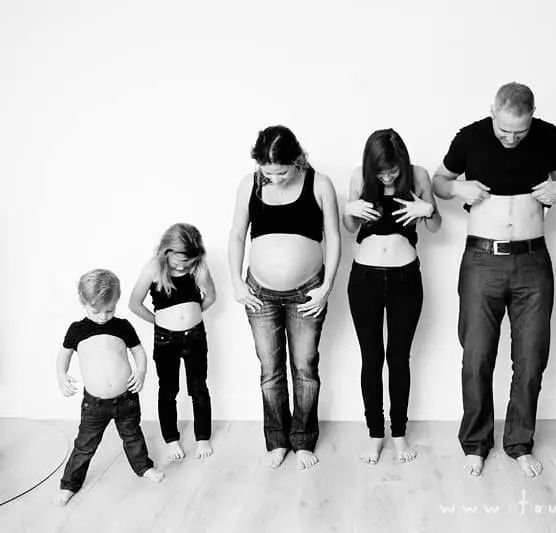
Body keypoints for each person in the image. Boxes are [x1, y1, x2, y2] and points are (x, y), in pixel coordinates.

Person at [432, 82, 556, 477]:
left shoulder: (549, 136)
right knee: (477, 356)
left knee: (530, 358)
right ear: (492, 112)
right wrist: (457, 186)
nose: (511, 138)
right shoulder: (470, 137)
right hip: (482, 259)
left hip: (533, 260)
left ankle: (519, 442)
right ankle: (476, 443)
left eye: (520, 131)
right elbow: (438, 183)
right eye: (504, 130)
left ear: (532, 117)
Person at [228, 125, 340, 470]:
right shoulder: (250, 183)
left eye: (280, 172)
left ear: (297, 160)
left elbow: (334, 239)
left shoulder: (319, 184)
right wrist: (236, 282)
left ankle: (303, 440)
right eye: (267, 172)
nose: (273, 179)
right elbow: (236, 237)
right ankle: (277, 440)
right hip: (259, 292)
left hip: (307, 291)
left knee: (305, 368)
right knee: (270, 370)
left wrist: (326, 287)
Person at [343, 129, 441, 465]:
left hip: (405, 277)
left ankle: (398, 433)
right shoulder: (359, 177)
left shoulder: (419, 176)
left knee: (399, 358)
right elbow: (349, 227)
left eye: (393, 170)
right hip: (365, 279)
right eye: (381, 172)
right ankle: (375, 434)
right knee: (371, 359)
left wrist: (428, 209)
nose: (388, 177)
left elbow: (435, 226)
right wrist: (350, 207)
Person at [55, 269, 164, 505]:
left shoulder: (122, 326)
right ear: (83, 303)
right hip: (94, 404)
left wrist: (141, 372)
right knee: (84, 445)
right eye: (96, 311)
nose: (104, 317)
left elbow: (138, 352)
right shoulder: (77, 330)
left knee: (133, 436)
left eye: (110, 310)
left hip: (126, 398)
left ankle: (143, 467)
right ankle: (69, 484)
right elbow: (63, 356)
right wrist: (62, 376)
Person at [129, 223, 217, 460]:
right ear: (166, 250)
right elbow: (134, 304)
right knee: (168, 389)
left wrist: (193, 315)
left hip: (195, 336)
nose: (181, 266)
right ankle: (171, 438)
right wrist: (160, 322)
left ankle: (202, 437)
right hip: (166, 339)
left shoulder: (198, 267)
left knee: (198, 387)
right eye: (178, 260)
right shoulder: (153, 269)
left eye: (187, 262)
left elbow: (211, 296)